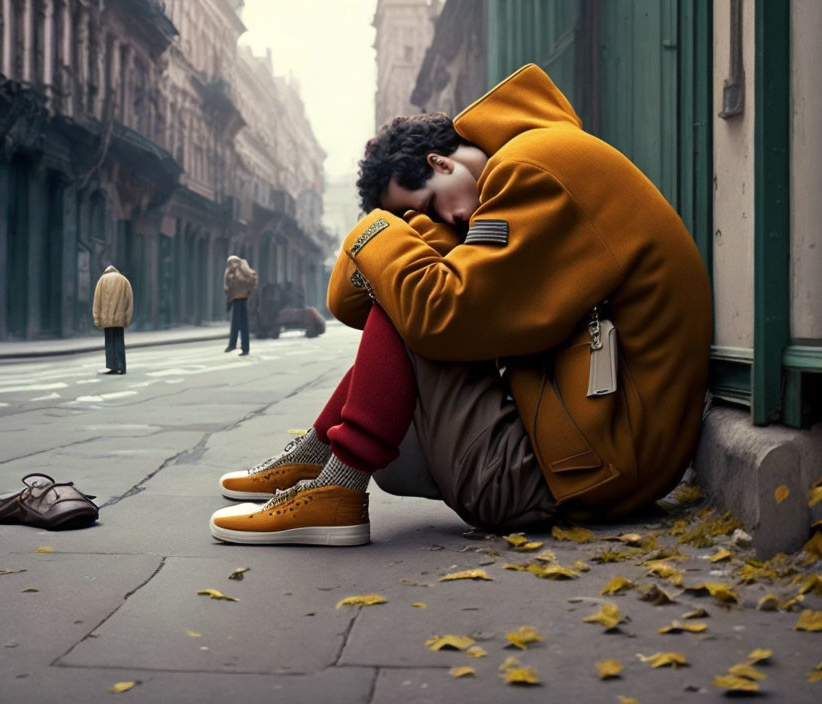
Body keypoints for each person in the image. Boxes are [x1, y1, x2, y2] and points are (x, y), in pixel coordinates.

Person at [209, 64, 712, 546]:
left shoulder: (533, 170)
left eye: (426, 206)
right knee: (408, 291)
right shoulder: (522, 169)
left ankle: (333, 485)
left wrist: (374, 232)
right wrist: (411, 233)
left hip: (587, 470)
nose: (439, 217)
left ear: (440, 162)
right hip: (598, 454)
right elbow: (348, 303)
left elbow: (435, 314)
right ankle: (318, 460)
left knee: (418, 299)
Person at [92, 265, 133, 375]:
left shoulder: (101, 281)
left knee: (109, 343)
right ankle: (122, 367)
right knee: (119, 342)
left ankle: (112, 366)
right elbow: (129, 302)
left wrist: (97, 319)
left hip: (106, 319)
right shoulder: (124, 280)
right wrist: (127, 318)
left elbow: (97, 302)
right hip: (119, 319)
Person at [224, 255, 257, 356]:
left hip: (238, 299)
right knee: (243, 325)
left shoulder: (235, 270)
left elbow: (228, 287)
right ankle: (244, 348)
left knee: (236, 324)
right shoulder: (242, 269)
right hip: (242, 299)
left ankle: (234, 345)